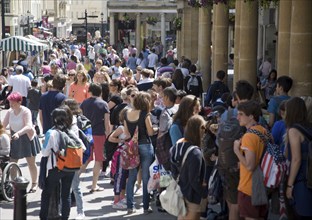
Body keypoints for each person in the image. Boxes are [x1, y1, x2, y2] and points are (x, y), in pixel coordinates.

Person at [39, 106, 81, 220]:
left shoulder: (51, 132)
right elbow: (82, 147)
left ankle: (43, 217)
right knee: (66, 194)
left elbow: (44, 152)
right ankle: (65, 217)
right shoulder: (71, 131)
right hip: (71, 167)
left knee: (46, 193)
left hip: (57, 167)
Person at [233, 100, 268, 220]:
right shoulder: (263, 130)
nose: (238, 117)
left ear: (251, 116)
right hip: (263, 186)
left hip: (249, 187)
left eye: (241, 114)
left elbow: (250, 166)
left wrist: (237, 151)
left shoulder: (248, 136)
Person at [124, 91, 156, 214]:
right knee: (146, 176)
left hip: (132, 147)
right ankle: (146, 207)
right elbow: (150, 132)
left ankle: (129, 206)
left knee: (131, 177)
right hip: (145, 145)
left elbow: (127, 134)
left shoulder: (127, 114)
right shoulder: (145, 114)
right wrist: (156, 129)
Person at [170, 115, 208, 220]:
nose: (205, 132)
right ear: (199, 130)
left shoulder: (176, 147)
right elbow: (194, 180)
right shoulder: (195, 153)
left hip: (180, 194)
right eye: (204, 128)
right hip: (193, 197)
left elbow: (173, 171)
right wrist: (204, 193)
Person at [2, 92, 40, 193]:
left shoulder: (25, 111)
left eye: (13, 103)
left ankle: (34, 184)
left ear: (19, 102)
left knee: (31, 163)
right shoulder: (10, 112)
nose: (11, 105)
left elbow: (28, 126)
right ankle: (15, 185)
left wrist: (18, 133)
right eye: (10, 102)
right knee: (12, 162)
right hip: (15, 138)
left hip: (27, 137)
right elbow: (3, 125)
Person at [80, 83, 111, 192]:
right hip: (99, 133)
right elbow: (107, 123)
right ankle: (94, 185)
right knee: (98, 160)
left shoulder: (84, 103)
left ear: (90, 91)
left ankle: (75, 179)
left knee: (87, 158)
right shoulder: (103, 104)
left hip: (87, 133)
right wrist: (108, 134)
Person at [285, 97, 312, 218]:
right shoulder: (309, 127)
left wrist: (289, 185)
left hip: (301, 180)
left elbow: (296, 159)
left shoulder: (293, 130)